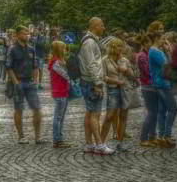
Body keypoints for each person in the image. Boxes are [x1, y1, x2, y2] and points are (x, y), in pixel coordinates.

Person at [80, 18, 113, 154]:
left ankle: (89, 144)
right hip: (91, 82)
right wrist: (97, 83)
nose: (103, 28)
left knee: (89, 113)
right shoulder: (89, 42)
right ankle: (99, 145)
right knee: (95, 114)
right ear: (95, 26)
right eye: (102, 25)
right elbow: (91, 64)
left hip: (88, 81)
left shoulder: (90, 41)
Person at [7, 26, 45, 145]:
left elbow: (35, 66)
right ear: (18, 35)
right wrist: (15, 82)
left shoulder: (31, 49)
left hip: (30, 83)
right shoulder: (12, 49)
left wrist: (36, 80)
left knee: (37, 109)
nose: (27, 36)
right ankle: (21, 137)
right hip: (18, 82)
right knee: (19, 110)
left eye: (27, 34)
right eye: (24, 34)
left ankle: (38, 137)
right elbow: (9, 67)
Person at [100, 37, 134, 151]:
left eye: (122, 46)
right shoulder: (104, 60)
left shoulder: (124, 60)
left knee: (123, 116)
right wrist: (115, 81)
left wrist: (126, 70)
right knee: (109, 116)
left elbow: (133, 76)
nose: (121, 49)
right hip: (113, 90)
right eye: (119, 46)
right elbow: (103, 76)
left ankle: (120, 142)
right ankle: (100, 143)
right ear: (113, 47)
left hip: (125, 89)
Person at [48, 40, 73, 148]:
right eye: (63, 48)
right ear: (58, 50)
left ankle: (59, 139)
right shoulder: (56, 62)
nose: (65, 50)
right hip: (59, 92)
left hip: (63, 91)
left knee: (60, 117)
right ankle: (57, 140)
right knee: (58, 117)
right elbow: (66, 75)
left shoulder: (59, 61)